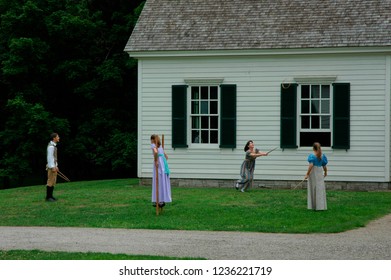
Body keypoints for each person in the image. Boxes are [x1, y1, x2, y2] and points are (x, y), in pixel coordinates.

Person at [304, 142, 328, 211]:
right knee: (320, 188)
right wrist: (325, 172)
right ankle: (320, 206)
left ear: (313, 148)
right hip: (320, 172)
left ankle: (313, 206)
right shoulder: (322, 156)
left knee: (313, 188)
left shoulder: (312, 156)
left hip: (314, 173)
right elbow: (324, 166)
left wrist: (307, 174)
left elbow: (311, 165)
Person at [150, 134, 172, 208]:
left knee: (158, 181)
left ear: (153, 140)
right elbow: (166, 156)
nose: (150, 141)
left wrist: (156, 160)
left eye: (151, 139)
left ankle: (158, 200)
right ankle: (161, 200)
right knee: (162, 181)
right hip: (163, 163)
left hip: (159, 164)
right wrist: (163, 159)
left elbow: (155, 152)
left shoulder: (153, 145)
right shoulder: (160, 146)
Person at [45, 133, 60, 202]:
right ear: (54, 138)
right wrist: (52, 167)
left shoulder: (53, 146)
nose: (59, 138)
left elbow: (54, 158)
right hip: (51, 167)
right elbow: (50, 158)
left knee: (53, 181)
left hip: (53, 166)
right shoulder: (51, 147)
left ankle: (51, 196)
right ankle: (48, 197)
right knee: (50, 181)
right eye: (57, 137)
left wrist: (56, 166)